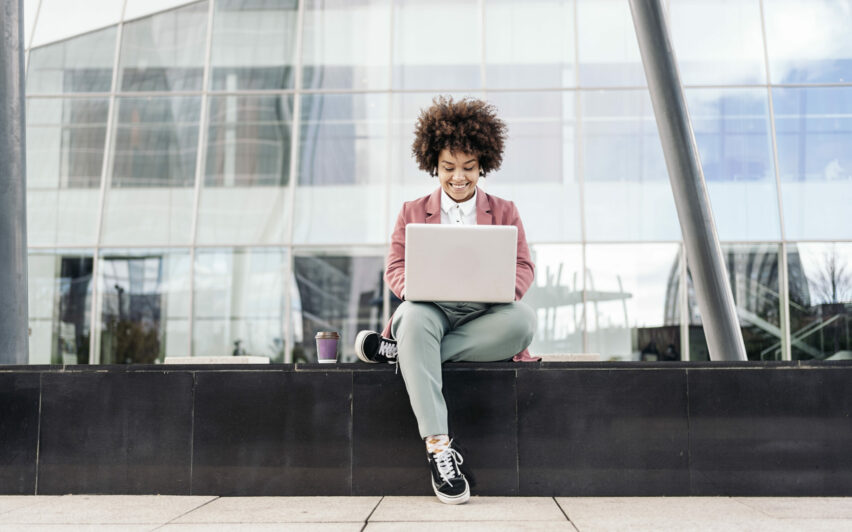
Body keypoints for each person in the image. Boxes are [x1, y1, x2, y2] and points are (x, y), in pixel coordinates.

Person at [354, 96, 537, 505]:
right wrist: (415, 286)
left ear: (482, 166)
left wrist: (503, 290)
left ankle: (401, 354)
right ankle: (439, 449)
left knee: (522, 321)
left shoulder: (505, 210)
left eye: (468, 168)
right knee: (414, 319)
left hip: (485, 314)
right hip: (429, 309)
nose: (458, 177)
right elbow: (395, 267)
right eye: (449, 168)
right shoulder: (412, 210)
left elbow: (523, 265)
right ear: (433, 165)